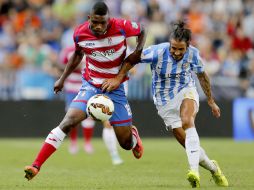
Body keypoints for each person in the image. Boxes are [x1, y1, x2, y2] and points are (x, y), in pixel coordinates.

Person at [24, 1, 146, 180]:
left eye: (102, 22)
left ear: (108, 19)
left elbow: (142, 29)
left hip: (116, 88)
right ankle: (36, 165)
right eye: (94, 22)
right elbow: (78, 54)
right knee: (68, 121)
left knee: (126, 144)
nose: (98, 26)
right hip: (91, 84)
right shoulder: (80, 33)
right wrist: (62, 78)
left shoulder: (121, 26)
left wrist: (138, 51)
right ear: (89, 18)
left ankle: (133, 136)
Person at [103, 21, 229, 188]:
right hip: (164, 102)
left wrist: (211, 102)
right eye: (173, 48)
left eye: (180, 49)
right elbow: (132, 59)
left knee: (187, 121)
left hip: (186, 90)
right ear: (169, 44)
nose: (176, 52)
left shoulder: (193, 54)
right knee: (190, 146)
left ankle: (193, 172)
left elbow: (202, 76)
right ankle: (213, 168)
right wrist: (118, 77)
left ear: (188, 46)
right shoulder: (157, 52)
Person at [60, 46, 123, 165]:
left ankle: (87, 143)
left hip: (88, 86)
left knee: (90, 114)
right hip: (71, 88)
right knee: (72, 116)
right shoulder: (68, 50)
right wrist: (74, 66)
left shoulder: (93, 49)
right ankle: (73, 143)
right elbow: (63, 65)